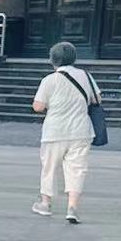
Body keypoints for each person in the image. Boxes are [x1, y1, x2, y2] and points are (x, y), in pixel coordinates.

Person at [32, 40, 100, 224]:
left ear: (52, 60)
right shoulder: (86, 76)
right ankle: (72, 208)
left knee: (49, 168)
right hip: (81, 131)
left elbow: (38, 106)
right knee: (77, 170)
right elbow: (97, 100)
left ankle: (45, 204)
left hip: (54, 132)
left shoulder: (49, 80)